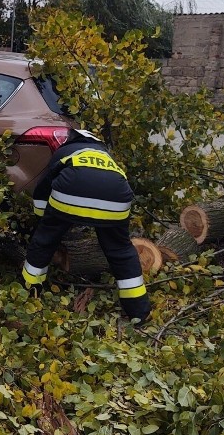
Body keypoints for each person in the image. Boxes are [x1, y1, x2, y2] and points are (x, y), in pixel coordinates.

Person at [22, 127, 151, 323]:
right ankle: (139, 312)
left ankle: (28, 293)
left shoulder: (65, 151)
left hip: (71, 192)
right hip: (117, 197)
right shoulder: (105, 155)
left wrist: (43, 224)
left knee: (44, 243)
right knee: (121, 251)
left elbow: (43, 188)